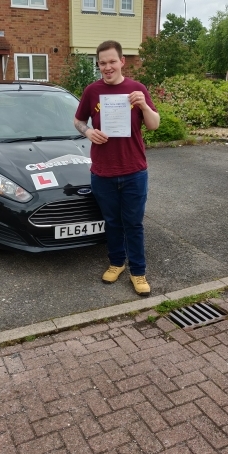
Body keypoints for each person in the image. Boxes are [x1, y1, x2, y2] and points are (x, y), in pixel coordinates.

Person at [74, 40, 160, 296]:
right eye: (102, 63)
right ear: (98, 65)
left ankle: (138, 271)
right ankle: (116, 263)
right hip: (103, 171)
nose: (107, 67)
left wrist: (143, 105)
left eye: (112, 61)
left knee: (133, 224)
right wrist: (88, 131)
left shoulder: (137, 89)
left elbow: (154, 125)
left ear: (122, 61)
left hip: (134, 170)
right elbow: (78, 120)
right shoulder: (92, 91)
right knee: (111, 222)